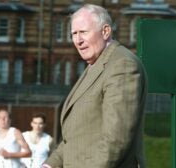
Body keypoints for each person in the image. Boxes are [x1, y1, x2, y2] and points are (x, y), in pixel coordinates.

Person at [43, 4, 148, 168]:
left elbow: (116, 139)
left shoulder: (122, 65)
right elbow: (76, 136)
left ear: (106, 31)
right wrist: (49, 165)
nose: (78, 40)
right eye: (74, 34)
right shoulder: (96, 63)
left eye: (83, 32)